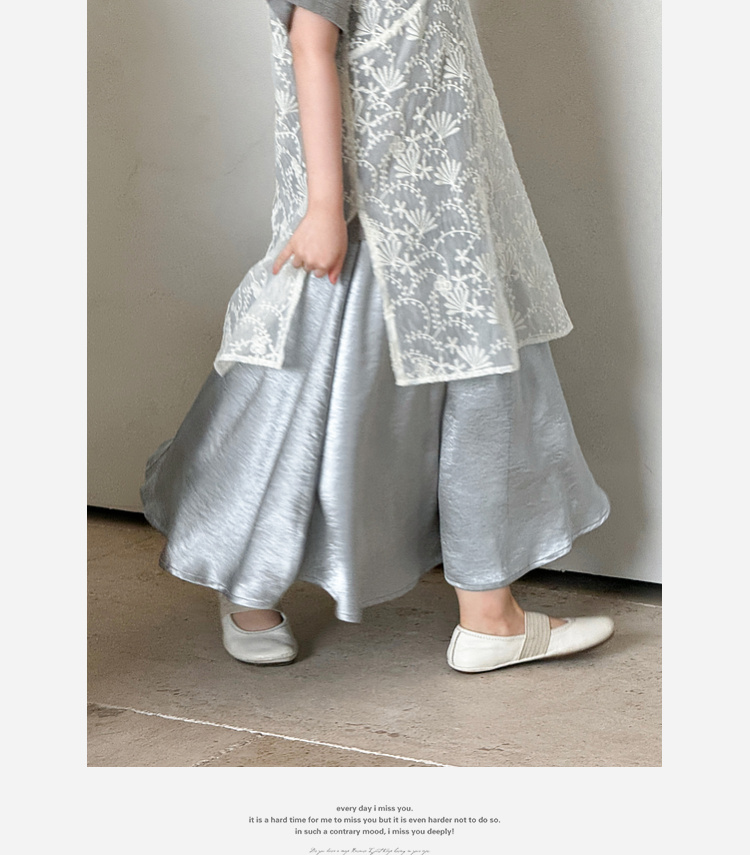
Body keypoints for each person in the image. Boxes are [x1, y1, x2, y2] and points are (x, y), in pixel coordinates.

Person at [141, 0, 614, 674]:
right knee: (303, 394)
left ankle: (489, 615)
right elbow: (310, 44)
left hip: (448, 206)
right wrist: (325, 207)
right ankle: (247, 583)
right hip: (372, 211)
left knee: (485, 383)